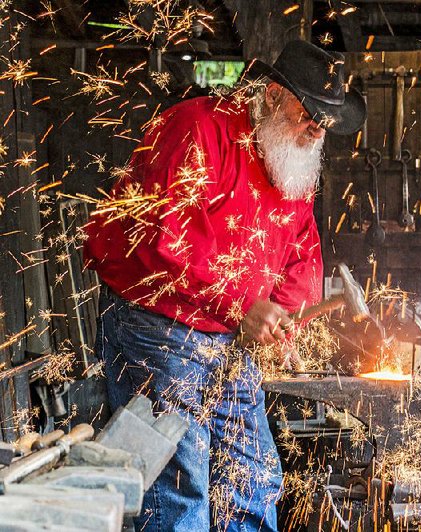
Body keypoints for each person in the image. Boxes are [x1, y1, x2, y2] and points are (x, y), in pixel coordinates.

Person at [84, 40, 366, 531]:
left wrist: (283, 319)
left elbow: (301, 249)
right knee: (181, 484)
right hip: (158, 325)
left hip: (229, 336)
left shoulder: (292, 158)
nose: (317, 129)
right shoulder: (196, 128)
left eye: (326, 121)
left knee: (253, 477)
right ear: (276, 96)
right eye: (309, 114)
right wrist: (242, 304)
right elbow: (162, 240)